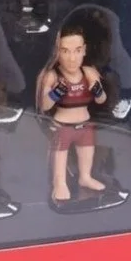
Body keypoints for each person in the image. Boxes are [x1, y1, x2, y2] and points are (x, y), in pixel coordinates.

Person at [39, 24, 108, 202]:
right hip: (63, 126)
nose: (72, 58)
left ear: (84, 50)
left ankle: (85, 177)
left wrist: (98, 92)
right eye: (65, 51)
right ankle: (59, 183)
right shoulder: (53, 76)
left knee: (87, 152)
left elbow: (102, 100)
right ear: (57, 52)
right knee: (60, 155)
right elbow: (44, 105)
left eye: (77, 50)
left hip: (85, 124)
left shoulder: (89, 72)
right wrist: (55, 93)